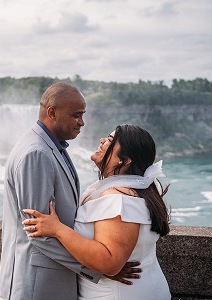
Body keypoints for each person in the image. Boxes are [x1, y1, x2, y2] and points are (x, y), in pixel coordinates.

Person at [0, 83, 140, 300]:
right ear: (52, 113)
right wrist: (98, 269)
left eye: (83, 115)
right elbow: (39, 233)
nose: (82, 122)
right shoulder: (36, 154)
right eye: (76, 115)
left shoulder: (52, 147)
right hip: (38, 285)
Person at [22, 124, 171, 300]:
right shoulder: (134, 191)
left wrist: (58, 229)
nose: (102, 140)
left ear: (125, 159)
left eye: (109, 140)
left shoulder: (119, 200)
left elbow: (109, 262)